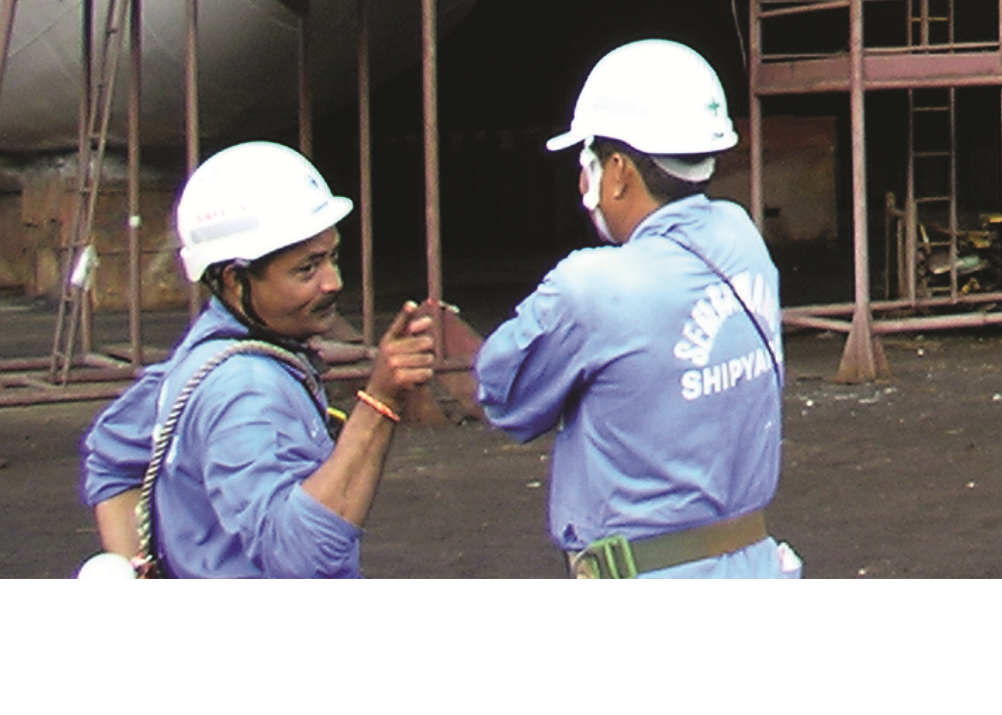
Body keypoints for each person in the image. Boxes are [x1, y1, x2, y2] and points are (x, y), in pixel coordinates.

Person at [473, 39, 800, 578]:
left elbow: (504, 398)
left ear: (619, 170)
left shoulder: (592, 287)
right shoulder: (742, 239)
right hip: (752, 568)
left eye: (589, 163)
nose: (586, 183)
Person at [76, 141, 441, 577]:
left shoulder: (202, 358)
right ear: (235, 280)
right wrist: (380, 403)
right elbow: (303, 560)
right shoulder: (245, 391)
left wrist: (140, 570)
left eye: (333, 258)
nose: (334, 282)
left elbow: (112, 451)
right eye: (307, 269)